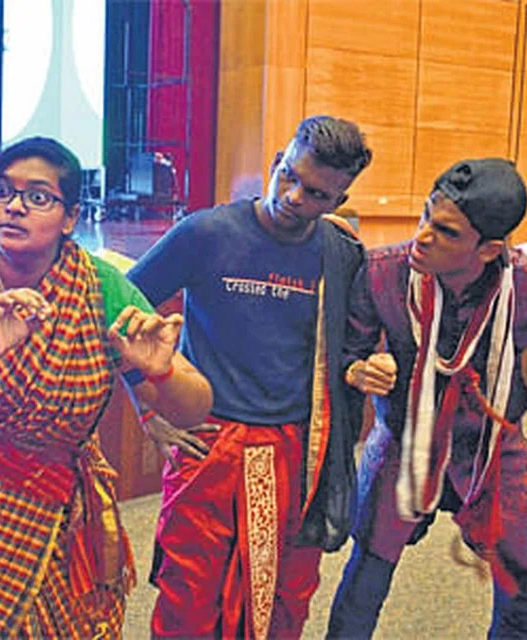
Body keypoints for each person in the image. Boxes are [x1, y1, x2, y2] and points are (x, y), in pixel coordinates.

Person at [0, 136, 213, 637]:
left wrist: (160, 374)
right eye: (2, 191)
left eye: (38, 196)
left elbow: (194, 408)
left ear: (71, 218)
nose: (15, 206)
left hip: (60, 503)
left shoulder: (99, 289)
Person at [127, 115, 372, 638]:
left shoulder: (339, 253)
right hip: (209, 442)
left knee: (284, 599)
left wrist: (366, 366)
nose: (294, 197)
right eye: (289, 175)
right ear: (278, 160)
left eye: (317, 194)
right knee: (188, 596)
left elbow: (354, 339)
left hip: (296, 451)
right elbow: (119, 314)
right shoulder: (206, 233)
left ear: (339, 199)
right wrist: (147, 409)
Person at [326, 158, 527, 638]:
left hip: (491, 445)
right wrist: (360, 368)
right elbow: (349, 349)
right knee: (364, 579)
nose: (424, 235)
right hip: (404, 440)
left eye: (447, 232)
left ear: (490, 249)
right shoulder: (382, 274)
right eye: (426, 216)